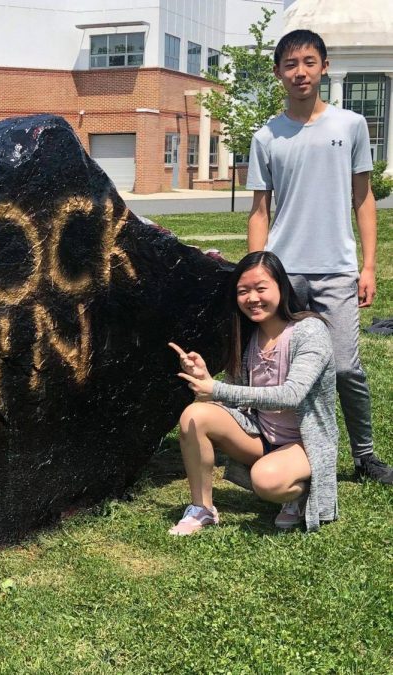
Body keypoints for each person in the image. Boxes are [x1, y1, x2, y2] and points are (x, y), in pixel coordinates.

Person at [246, 28, 392, 484]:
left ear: (324, 67)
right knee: (274, 365)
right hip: (284, 273)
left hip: (336, 270)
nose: (300, 72)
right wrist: (256, 273)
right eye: (290, 64)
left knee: (346, 365)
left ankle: (365, 456)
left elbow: (363, 199)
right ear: (278, 73)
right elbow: (259, 209)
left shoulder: (349, 126)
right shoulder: (266, 136)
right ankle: (274, 445)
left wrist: (367, 266)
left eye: (309, 62)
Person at [167, 251, 338, 535]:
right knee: (194, 416)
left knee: (266, 481)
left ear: (281, 288)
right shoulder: (248, 335)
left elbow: (292, 395)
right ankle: (202, 509)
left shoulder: (309, 330)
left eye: (261, 288)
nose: (252, 298)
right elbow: (233, 397)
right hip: (261, 436)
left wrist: (217, 388)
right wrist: (207, 380)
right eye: (243, 291)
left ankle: (301, 490)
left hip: (303, 443)